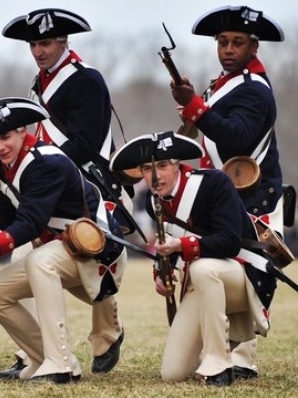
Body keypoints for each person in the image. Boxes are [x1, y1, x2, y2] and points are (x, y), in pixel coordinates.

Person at [0, 7, 131, 377]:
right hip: (51, 183)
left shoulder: (86, 80)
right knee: (23, 259)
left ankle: (107, 333)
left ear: (63, 41)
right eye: (33, 45)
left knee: (94, 264)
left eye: (45, 43)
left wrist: (40, 166)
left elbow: (86, 144)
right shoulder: (37, 85)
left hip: (87, 186)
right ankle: (35, 355)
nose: (38, 51)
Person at [0, 97, 126, 384]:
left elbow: (31, 221)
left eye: (5, 137)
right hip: (63, 250)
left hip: (98, 254)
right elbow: (7, 213)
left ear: (23, 130)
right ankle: (46, 357)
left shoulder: (47, 162)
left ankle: (59, 364)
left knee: (38, 259)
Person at [170, 5, 287, 379]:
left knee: (239, 264)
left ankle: (240, 359)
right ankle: (220, 352)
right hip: (225, 191)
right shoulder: (222, 84)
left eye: (237, 42)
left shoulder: (255, 90)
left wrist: (195, 106)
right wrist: (194, 108)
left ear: (254, 47)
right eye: (223, 42)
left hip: (253, 196)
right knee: (222, 267)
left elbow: (236, 135)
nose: (228, 49)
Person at [109, 131, 277, 386]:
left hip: (243, 277)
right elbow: (168, 247)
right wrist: (160, 273)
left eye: (163, 166)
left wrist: (183, 245)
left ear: (177, 165)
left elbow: (230, 242)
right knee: (173, 373)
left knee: (202, 267)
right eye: (147, 169)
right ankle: (211, 354)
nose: (156, 176)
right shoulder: (153, 202)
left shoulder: (213, 183)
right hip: (204, 282)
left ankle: (219, 363)